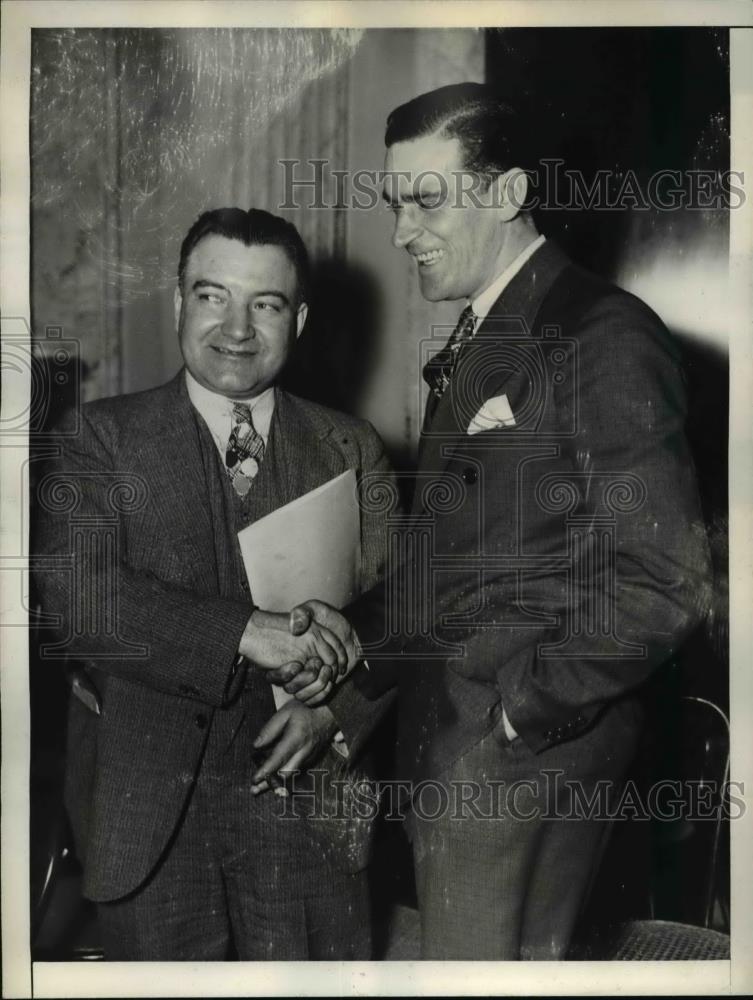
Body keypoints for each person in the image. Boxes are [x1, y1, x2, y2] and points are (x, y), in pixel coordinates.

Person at [268, 83, 712, 959]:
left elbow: (664, 580)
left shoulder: (599, 334)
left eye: (426, 200)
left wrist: (519, 712)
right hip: (459, 740)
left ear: (508, 193)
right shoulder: (491, 329)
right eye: (397, 204)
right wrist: (353, 635)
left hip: (518, 756)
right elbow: (460, 560)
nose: (401, 233)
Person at [33, 207, 392, 960]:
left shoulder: (353, 448)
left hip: (310, 813)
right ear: (177, 304)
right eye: (211, 295)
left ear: (296, 319)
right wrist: (240, 630)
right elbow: (81, 597)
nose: (235, 327)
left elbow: (408, 614)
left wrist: (337, 714)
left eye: (263, 304)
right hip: (147, 818)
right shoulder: (97, 438)